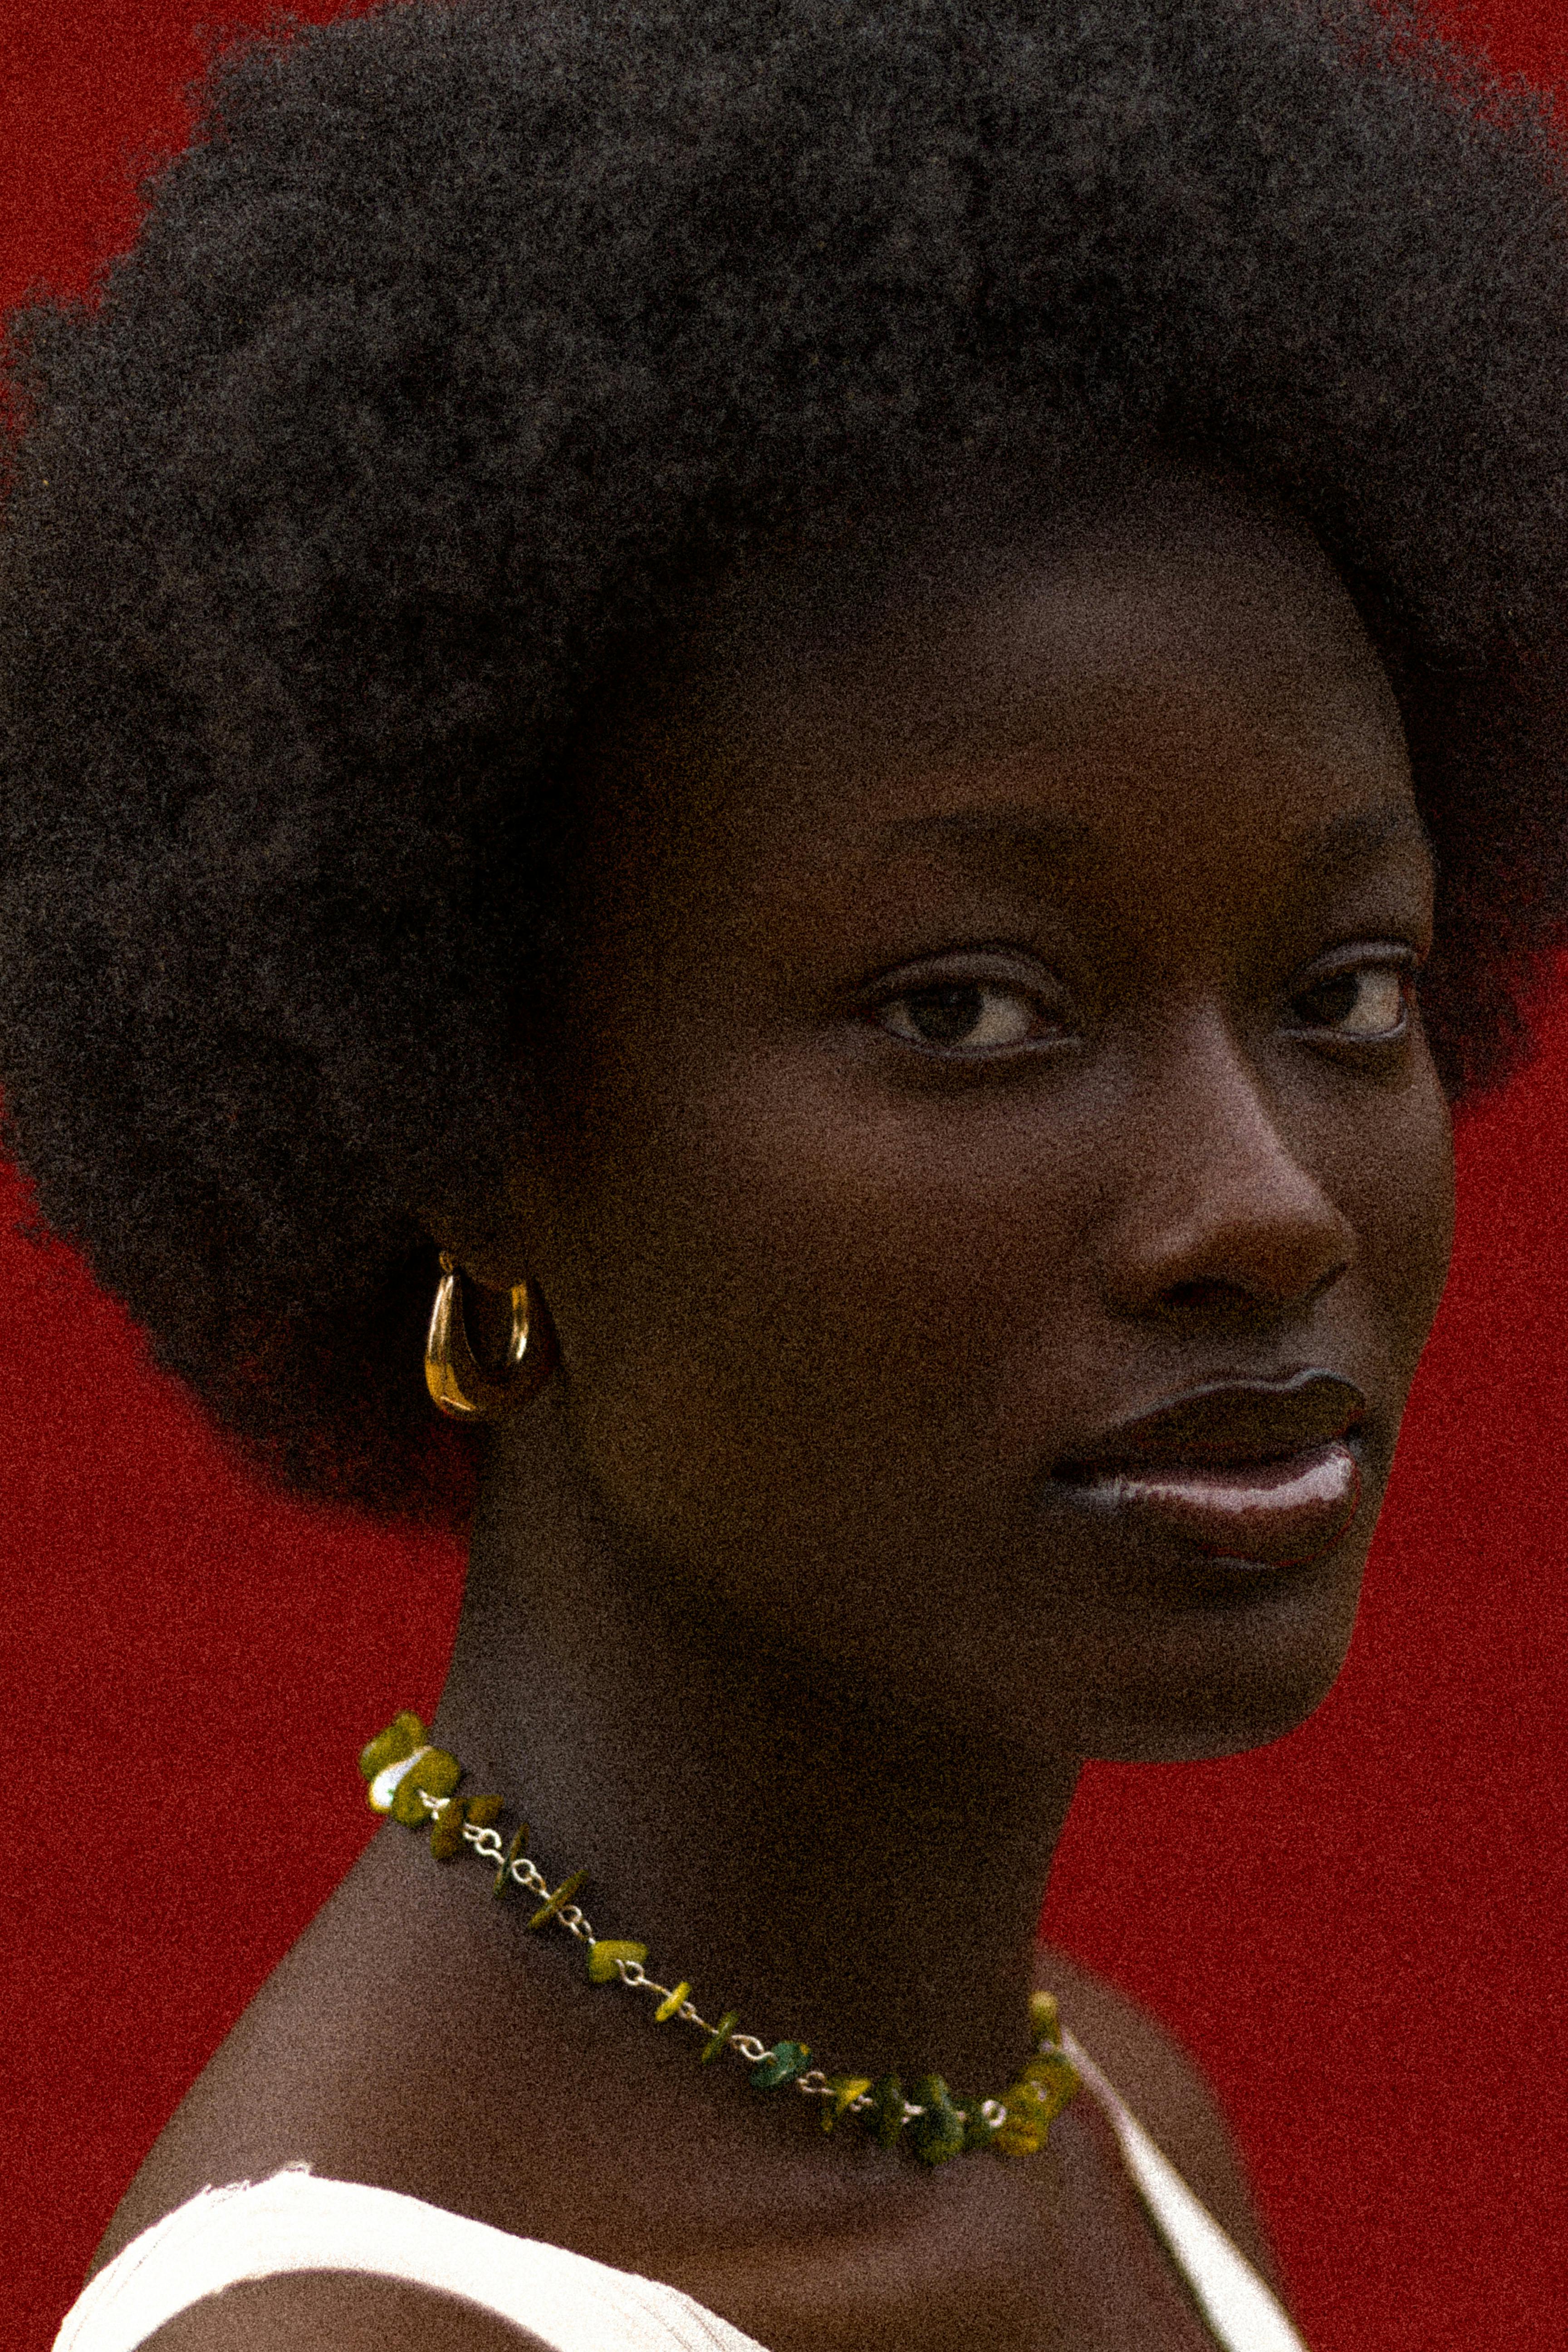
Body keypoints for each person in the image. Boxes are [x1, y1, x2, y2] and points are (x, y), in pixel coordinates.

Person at [5, 0, 1567, 2343]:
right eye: (967, 1009)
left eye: (1345, 990)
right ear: (475, 1127)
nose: (1269, 1205)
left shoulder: (1119, 2134)